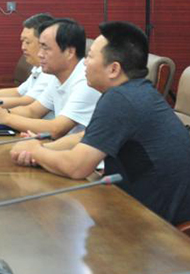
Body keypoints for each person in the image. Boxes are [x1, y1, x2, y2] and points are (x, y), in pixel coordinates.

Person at [10, 21, 190, 225]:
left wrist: (35, 151)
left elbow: (77, 167)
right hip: (143, 209)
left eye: (90, 57)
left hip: (161, 227)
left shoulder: (121, 99)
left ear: (113, 69)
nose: (84, 63)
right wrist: (43, 147)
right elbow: (88, 136)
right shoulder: (136, 90)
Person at [0, 18, 100, 139]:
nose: (40, 54)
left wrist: (5, 118)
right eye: (40, 47)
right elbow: (32, 111)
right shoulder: (57, 76)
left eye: (46, 48)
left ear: (69, 52)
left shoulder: (86, 81)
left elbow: (56, 129)